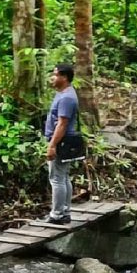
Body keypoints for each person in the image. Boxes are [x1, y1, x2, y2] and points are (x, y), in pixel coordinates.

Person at [44, 63, 80, 223]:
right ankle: (64, 211)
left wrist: (52, 145)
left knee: (57, 178)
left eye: (55, 74)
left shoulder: (66, 98)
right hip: (64, 140)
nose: (53, 77)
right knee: (63, 176)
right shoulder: (65, 93)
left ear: (64, 77)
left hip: (61, 141)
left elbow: (62, 123)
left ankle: (57, 214)